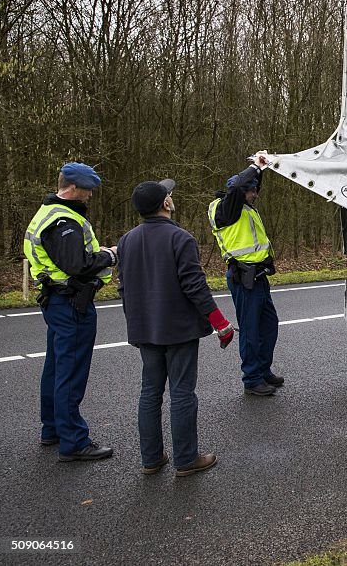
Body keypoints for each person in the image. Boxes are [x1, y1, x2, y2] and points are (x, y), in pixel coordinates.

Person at [118, 179, 236, 477]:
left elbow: (124, 288)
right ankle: (186, 459)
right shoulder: (181, 238)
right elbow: (195, 286)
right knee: (182, 393)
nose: (171, 198)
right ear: (165, 204)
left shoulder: (126, 241)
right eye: (169, 195)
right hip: (179, 328)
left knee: (150, 392)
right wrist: (221, 324)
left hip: (145, 328)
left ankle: (151, 458)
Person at [23, 162, 118, 462]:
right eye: (88, 190)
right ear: (73, 189)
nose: (90, 195)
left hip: (56, 300)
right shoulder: (64, 221)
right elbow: (77, 265)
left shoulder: (48, 213)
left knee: (55, 367)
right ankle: (74, 441)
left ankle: (53, 428)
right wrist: (109, 255)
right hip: (72, 303)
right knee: (70, 372)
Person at [209, 152, 282, 396]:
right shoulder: (225, 209)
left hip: (258, 277)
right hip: (244, 278)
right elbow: (240, 186)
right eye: (252, 190)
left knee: (269, 324)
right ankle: (252, 379)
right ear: (240, 191)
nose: (255, 194)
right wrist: (256, 167)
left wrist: (262, 173)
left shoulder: (245, 209)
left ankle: (262, 370)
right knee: (250, 330)